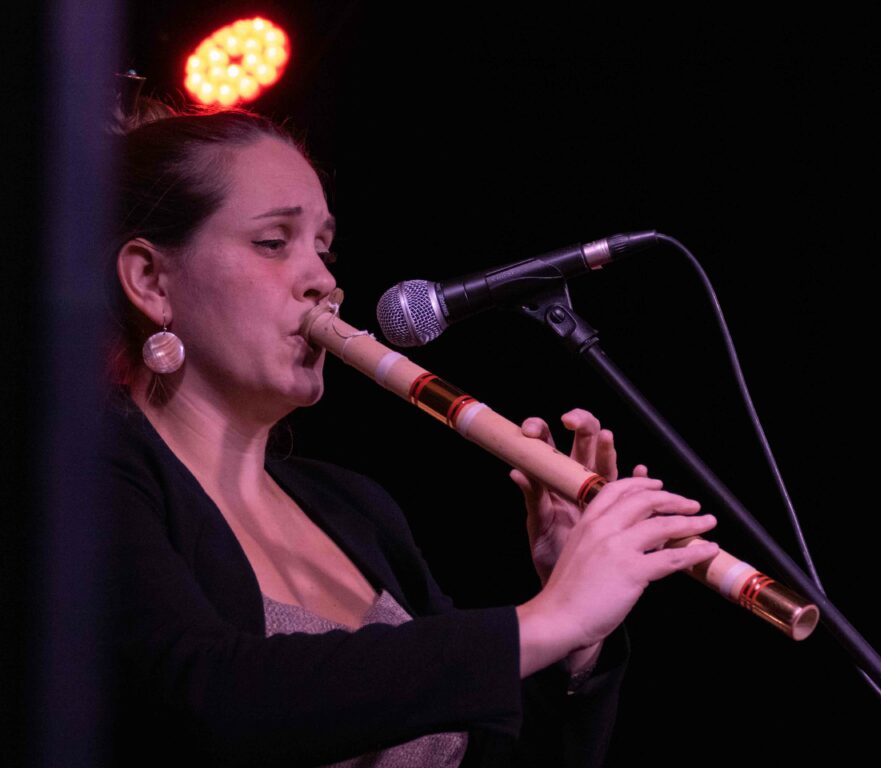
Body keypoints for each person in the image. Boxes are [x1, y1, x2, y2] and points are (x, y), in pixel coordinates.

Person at [100, 95, 721, 767]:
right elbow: (212, 700)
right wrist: (543, 621)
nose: (322, 280)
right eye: (273, 243)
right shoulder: (88, 476)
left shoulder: (356, 509)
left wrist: (574, 641)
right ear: (150, 280)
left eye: (325, 249)